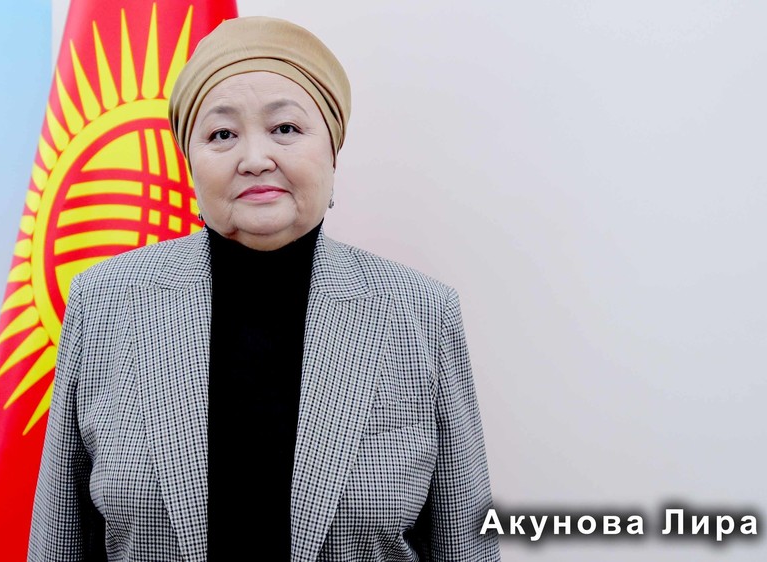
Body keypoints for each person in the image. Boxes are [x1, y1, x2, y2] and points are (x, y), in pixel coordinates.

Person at [28, 16, 500, 562]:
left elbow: (465, 545)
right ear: (190, 161)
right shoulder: (104, 302)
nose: (254, 159)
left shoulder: (421, 313)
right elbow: (59, 540)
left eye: (286, 129)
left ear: (333, 150)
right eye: (222, 134)